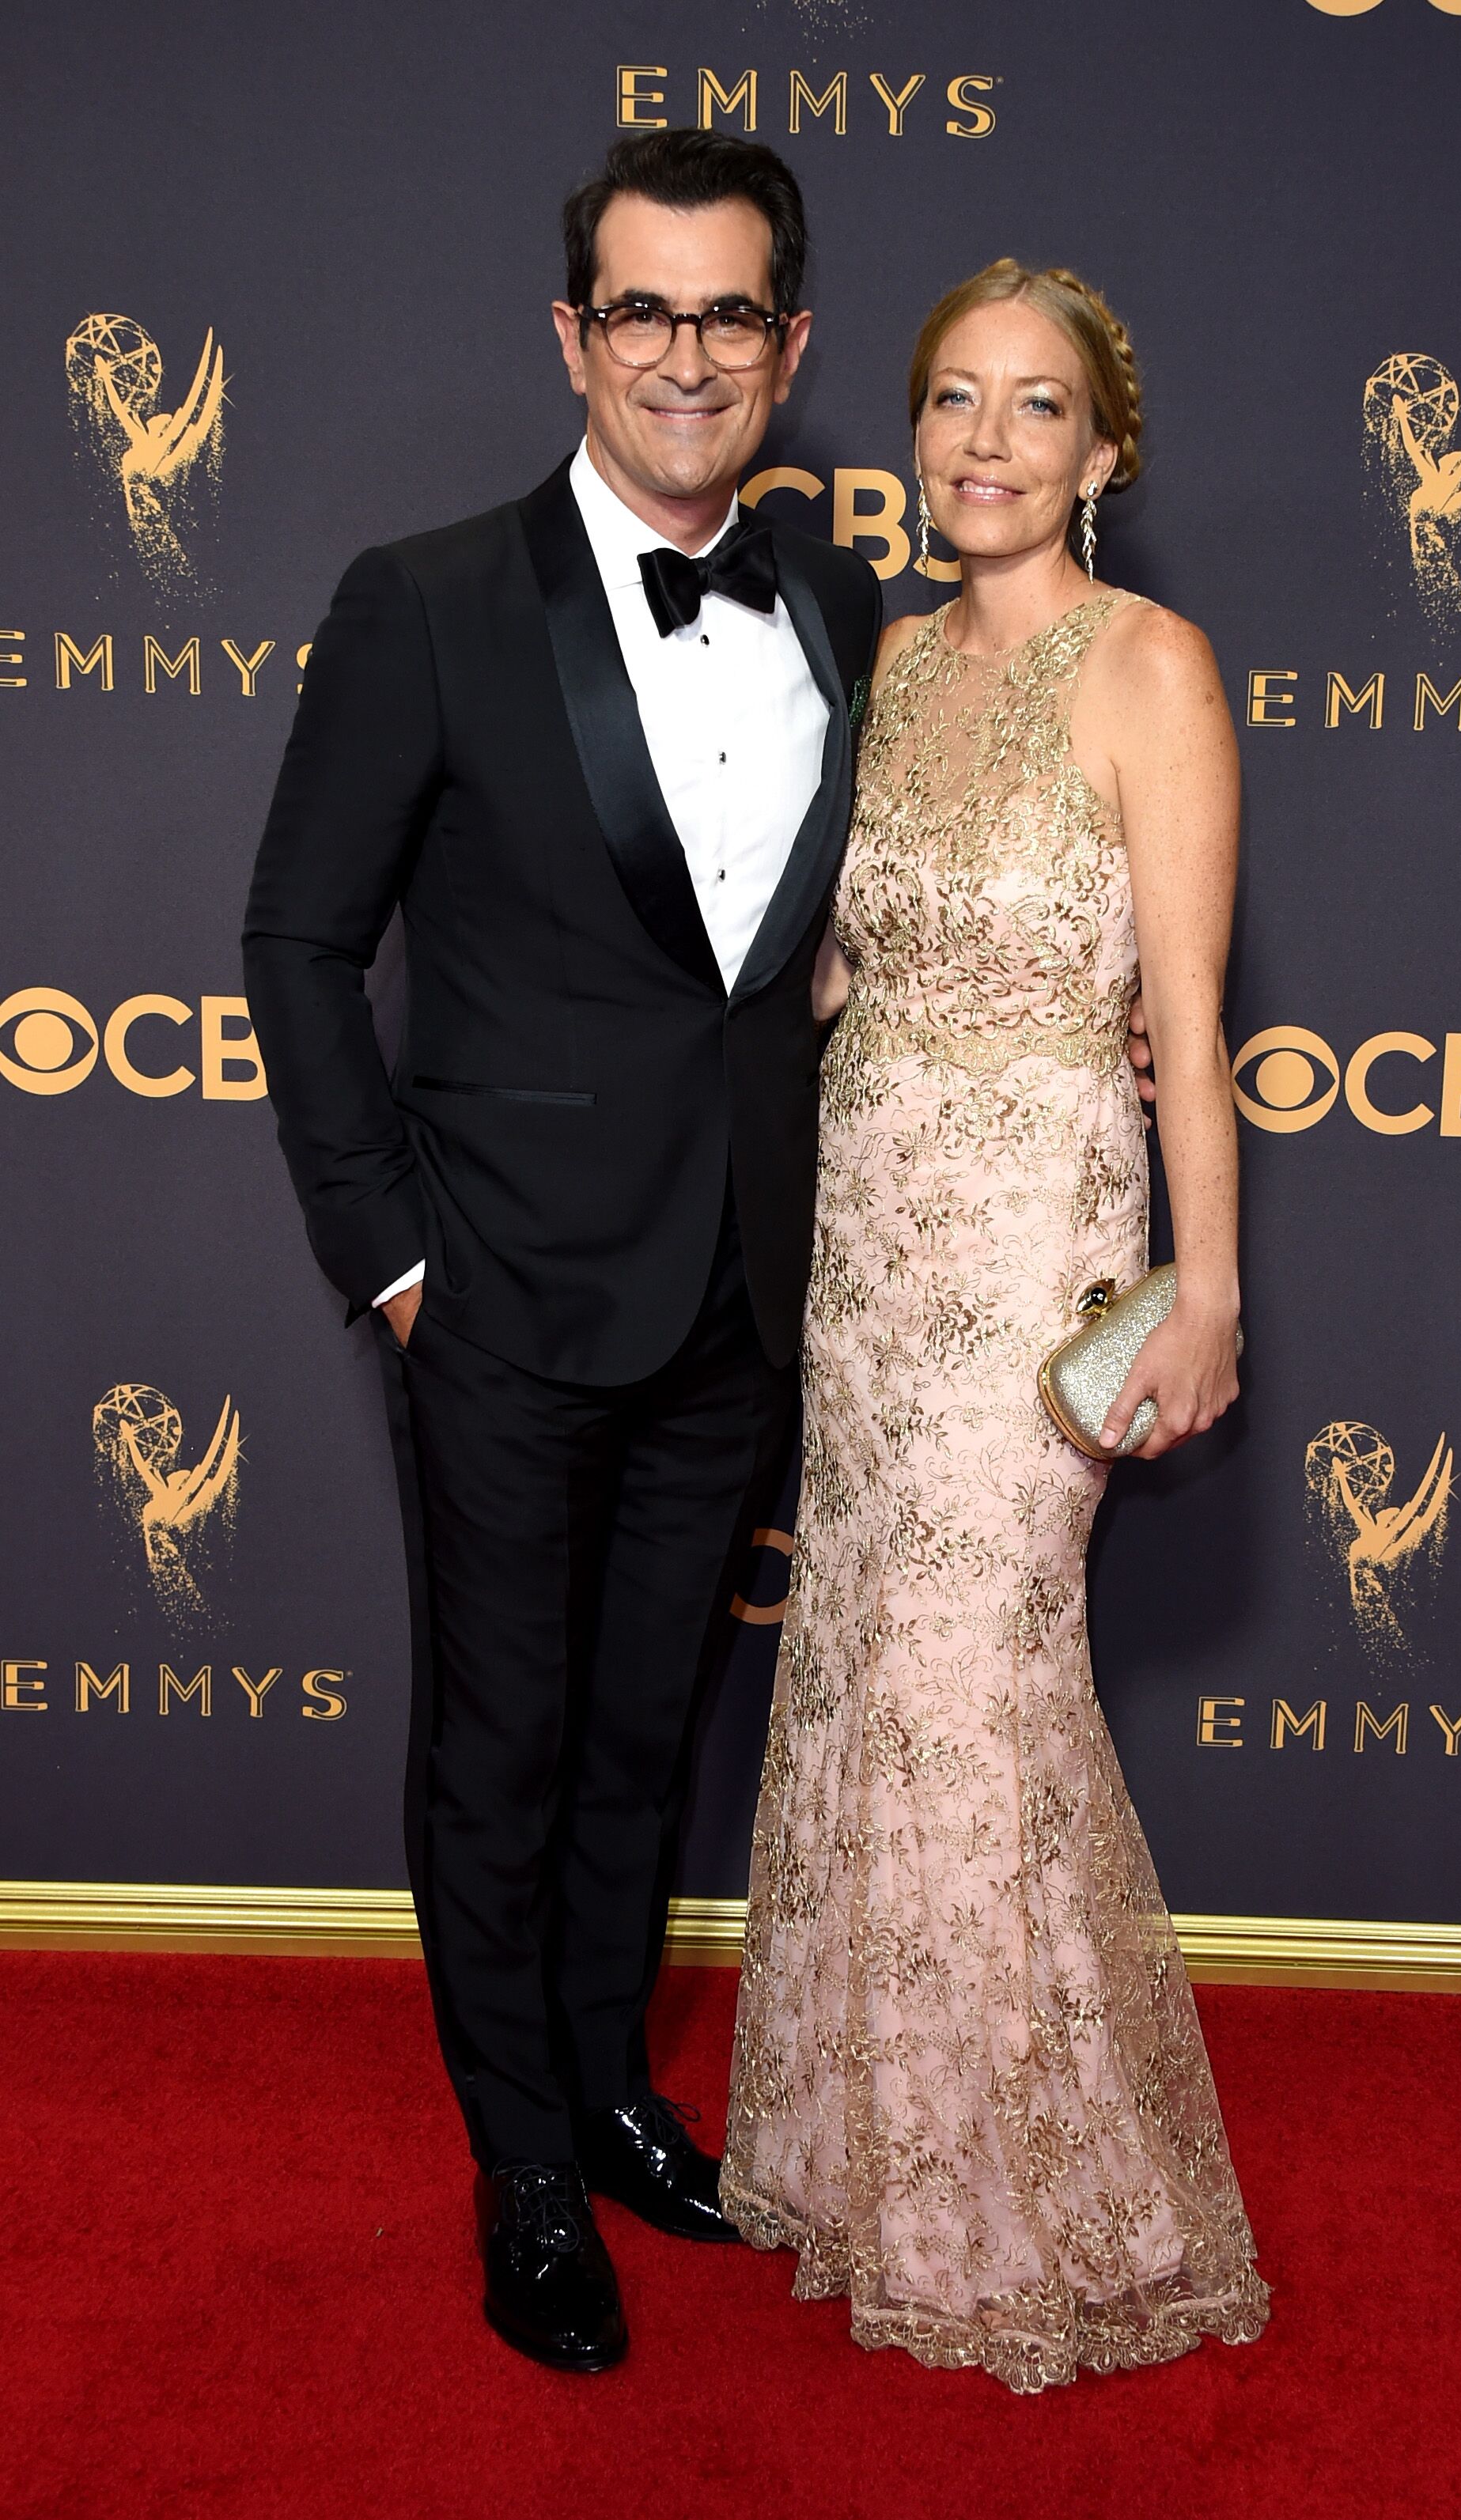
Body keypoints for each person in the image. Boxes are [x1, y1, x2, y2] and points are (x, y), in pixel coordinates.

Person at [242, 129, 880, 2374]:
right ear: (571, 334)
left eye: (729, 316)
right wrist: (396, 1259)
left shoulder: (833, 607)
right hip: (500, 1295)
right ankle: (522, 2165)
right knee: (500, 1747)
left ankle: (611, 2088)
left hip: (731, 1294)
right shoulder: (420, 596)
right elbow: (300, 942)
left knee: (642, 1739)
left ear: (788, 348)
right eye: (643, 311)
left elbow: (790, 961)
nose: (685, 356)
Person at [721, 260, 1271, 2392]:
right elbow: (837, 969)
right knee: (865, 1666)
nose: (984, 440)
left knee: (977, 1673)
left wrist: (1208, 1285)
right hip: (865, 1230)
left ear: (1101, 453)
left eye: (1035, 408)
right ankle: (880, 2162)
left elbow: (1196, 1020)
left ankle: (1040, 2205)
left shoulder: (1154, 668)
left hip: (1040, 1222)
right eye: (954, 399)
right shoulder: (886, 666)